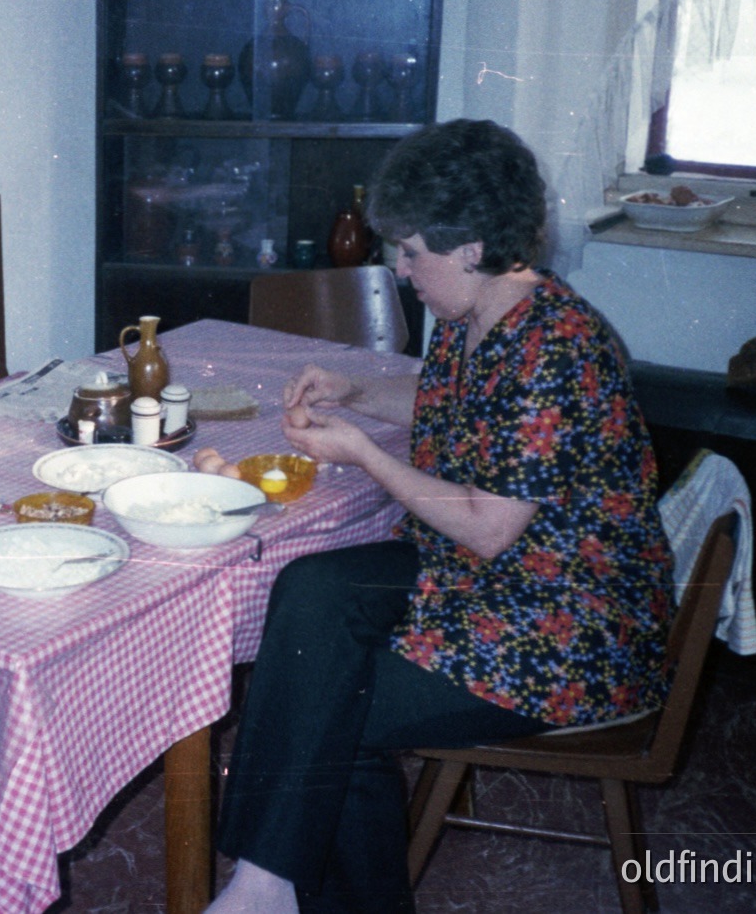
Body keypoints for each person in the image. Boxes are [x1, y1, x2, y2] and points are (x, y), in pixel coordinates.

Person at [207, 119, 674, 914]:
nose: (399, 266)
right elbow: (442, 397)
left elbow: (489, 525)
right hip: (484, 579)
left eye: (411, 250)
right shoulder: (484, 314)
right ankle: (268, 881)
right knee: (311, 593)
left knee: (329, 712)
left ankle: (266, 886)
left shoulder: (558, 347)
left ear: (468, 248)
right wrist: (353, 392)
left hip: (566, 626)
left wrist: (365, 453)